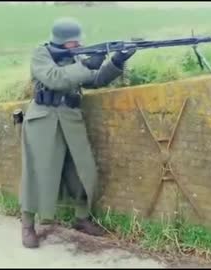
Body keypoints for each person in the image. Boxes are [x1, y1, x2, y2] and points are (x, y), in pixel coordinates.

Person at [19, 17, 136, 249]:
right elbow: (55, 78)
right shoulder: (41, 54)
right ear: (61, 41)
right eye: (73, 43)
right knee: (38, 172)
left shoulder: (77, 57)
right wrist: (87, 64)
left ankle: (82, 218)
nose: (77, 46)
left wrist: (117, 60)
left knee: (84, 170)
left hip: (70, 119)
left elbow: (97, 79)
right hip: (43, 120)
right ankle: (27, 225)